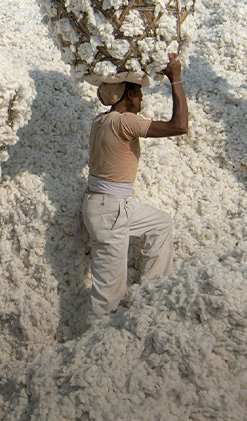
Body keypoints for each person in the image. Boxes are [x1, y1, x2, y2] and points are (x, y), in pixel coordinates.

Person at [80, 54, 188, 326]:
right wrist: (175, 79)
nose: (141, 98)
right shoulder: (124, 121)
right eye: (139, 93)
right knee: (107, 296)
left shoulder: (100, 120)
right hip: (110, 211)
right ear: (128, 95)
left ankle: (152, 293)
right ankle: (93, 342)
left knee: (161, 224)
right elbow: (179, 125)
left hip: (108, 206)